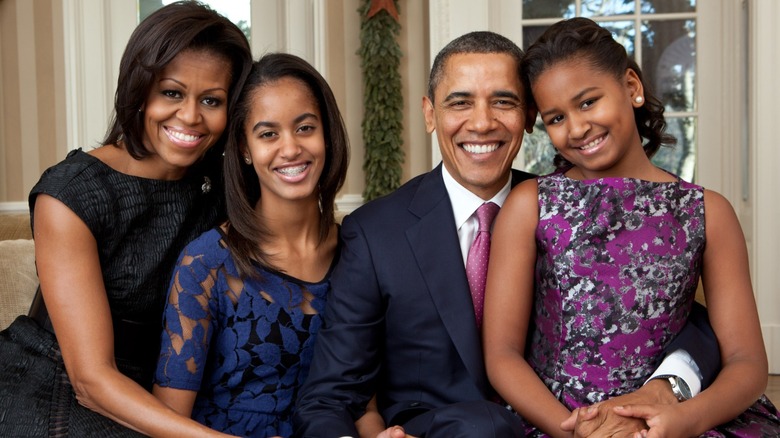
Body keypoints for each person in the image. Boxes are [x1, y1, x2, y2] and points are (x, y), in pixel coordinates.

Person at [294, 30, 719, 438]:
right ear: (429, 114)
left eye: (503, 101)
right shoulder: (375, 233)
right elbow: (331, 393)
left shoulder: (564, 207)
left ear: (530, 116)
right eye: (460, 103)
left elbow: (665, 307)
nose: (481, 123)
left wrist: (671, 382)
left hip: (565, 421)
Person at [483, 17, 780, 438]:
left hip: (676, 419)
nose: (577, 128)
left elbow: (748, 363)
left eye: (588, 102)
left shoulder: (708, 211)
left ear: (632, 87)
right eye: (555, 118)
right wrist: (571, 430)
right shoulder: (530, 205)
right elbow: (502, 355)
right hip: (559, 420)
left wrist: (683, 420)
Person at [0, 2, 253, 436]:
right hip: (56, 383)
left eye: (211, 100)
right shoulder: (72, 193)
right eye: (172, 93)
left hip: (170, 390)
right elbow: (91, 380)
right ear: (139, 91)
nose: (190, 116)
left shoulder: (228, 190)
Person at [151, 52, 351, 437]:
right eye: (268, 134)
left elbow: (364, 400)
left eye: (305, 128)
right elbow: (167, 423)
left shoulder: (359, 253)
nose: (290, 148)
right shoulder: (206, 264)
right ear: (244, 149)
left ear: (327, 133)